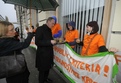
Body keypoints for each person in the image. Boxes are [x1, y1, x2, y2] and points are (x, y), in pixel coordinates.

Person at [35, 17, 57, 83]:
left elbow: (49, 40)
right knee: (42, 70)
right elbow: (37, 42)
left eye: (54, 24)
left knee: (48, 68)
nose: (53, 25)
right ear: (48, 21)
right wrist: (50, 42)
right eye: (52, 23)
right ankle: (41, 81)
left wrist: (55, 41)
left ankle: (45, 79)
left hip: (49, 53)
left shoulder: (49, 30)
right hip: (42, 54)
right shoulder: (40, 29)